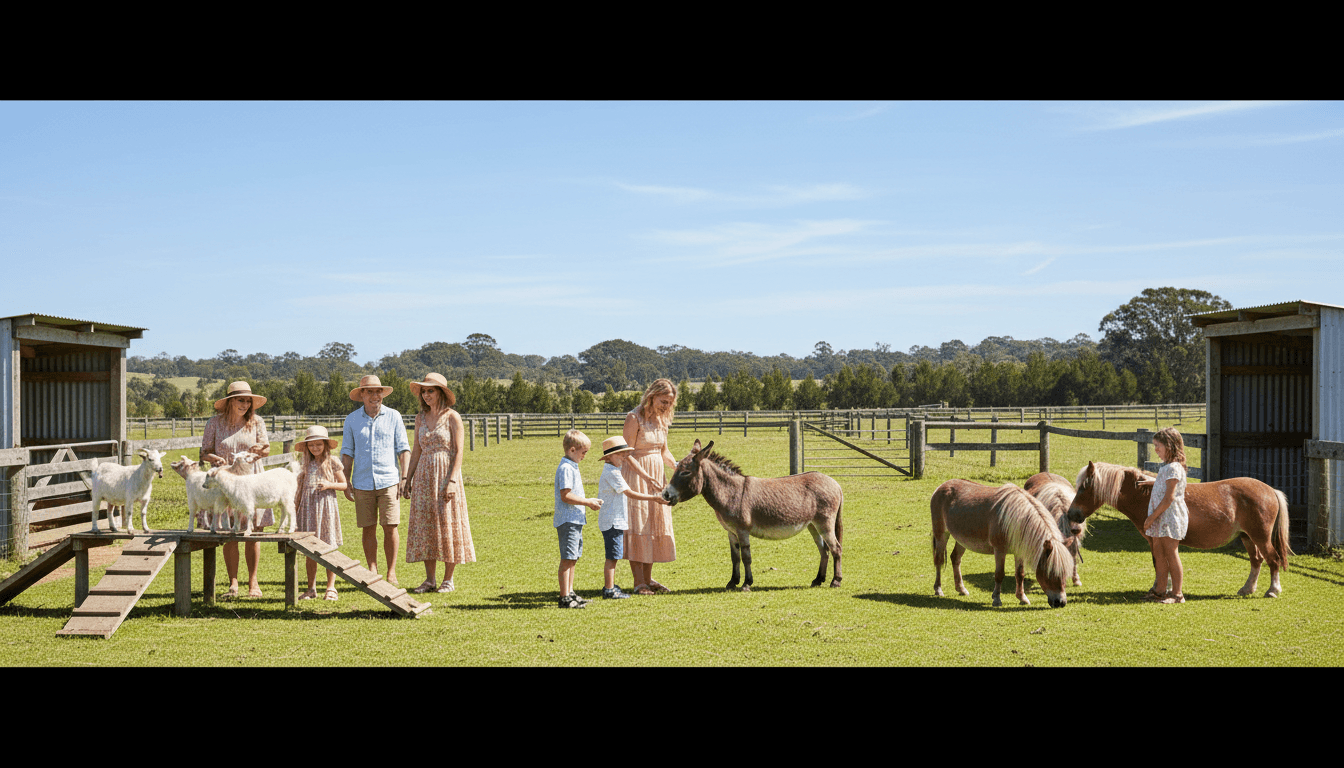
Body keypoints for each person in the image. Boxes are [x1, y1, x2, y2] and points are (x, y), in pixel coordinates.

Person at [405, 373, 475, 594]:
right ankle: (429, 580)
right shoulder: (420, 418)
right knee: (426, 525)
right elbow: (416, 450)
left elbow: (459, 451)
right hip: (424, 476)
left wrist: (452, 480)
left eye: (430, 391)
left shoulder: (452, 417)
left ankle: (448, 579)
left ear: (441, 392)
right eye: (423, 391)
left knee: (447, 523)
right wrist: (408, 479)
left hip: (445, 474)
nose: (426, 395)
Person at [201, 381, 271, 599]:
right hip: (227, 482)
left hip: (252, 480)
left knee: (253, 532)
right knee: (230, 532)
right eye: (241, 399)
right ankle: (233, 583)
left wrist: (260, 450)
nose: (245, 404)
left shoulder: (256, 422)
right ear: (230, 401)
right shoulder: (214, 423)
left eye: (248, 400)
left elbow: (266, 449)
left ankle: (253, 583)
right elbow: (204, 452)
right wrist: (214, 459)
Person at [341, 374, 411, 588]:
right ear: (362, 394)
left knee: (390, 526)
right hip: (362, 481)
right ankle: (372, 569)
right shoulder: (352, 420)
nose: (374, 395)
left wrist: (404, 477)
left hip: (389, 480)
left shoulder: (394, 416)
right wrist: (345, 479)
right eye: (369, 391)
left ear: (383, 394)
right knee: (368, 527)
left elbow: (403, 448)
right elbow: (347, 452)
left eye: (378, 391)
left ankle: (391, 572)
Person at [623, 379, 678, 595]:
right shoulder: (633, 417)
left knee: (653, 525)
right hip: (636, 477)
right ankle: (639, 583)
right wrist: (646, 476)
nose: (666, 406)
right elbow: (626, 453)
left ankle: (648, 578)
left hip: (657, 478)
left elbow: (664, 451)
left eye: (670, 403)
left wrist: (676, 466)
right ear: (652, 396)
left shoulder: (662, 420)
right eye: (663, 401)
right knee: (638, 525)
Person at [596, 436, 665, 599]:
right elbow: (629, 493)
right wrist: (653, 498)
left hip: (615, 520)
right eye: (620, 455)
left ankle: (611, 586)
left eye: (624, 455)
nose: (623, 458)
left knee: (614, 556)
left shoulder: (614, 470)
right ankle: (609, 589)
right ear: (608, 457)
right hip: (613, 521)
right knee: (612, 558)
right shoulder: (612, 473)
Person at [292, 425, 347, 601]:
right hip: (307, 510)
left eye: (319, 444)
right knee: (311, 550)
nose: (315, 448)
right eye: (311, 445)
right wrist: (294, 510)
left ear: (325, 445)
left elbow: (344, 484)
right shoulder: (304, 464)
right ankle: (311, 588)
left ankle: (331, 587)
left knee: (328, 547)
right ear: (307, 447)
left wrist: (330, 485)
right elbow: (299, 490)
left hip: (326, 509)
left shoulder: (333, 462)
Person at [1138, 426, 1190, 604]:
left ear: (1169, 445)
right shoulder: (1167, 468)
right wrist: (1153, 481)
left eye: (1158, 445)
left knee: (1171, 553)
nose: (1156, 450)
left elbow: (1169, 498)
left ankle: (1177, 594)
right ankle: (1160, 590)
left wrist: (1150, 518)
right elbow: (1165, 485)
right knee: (1159, 553)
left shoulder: (1174, 468)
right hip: (1161, 517)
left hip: (1169, 517)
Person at [555, 429, 602, 608]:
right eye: (584, 452)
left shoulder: (571, 466)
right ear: (572, 450)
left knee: (573, 557)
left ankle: (570, 591)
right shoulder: (566, 468)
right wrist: (587, 502)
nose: (585, 456)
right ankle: (564, 597)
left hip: (575, 519)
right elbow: (565, 495)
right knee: (567, 558)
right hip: (568, 520)